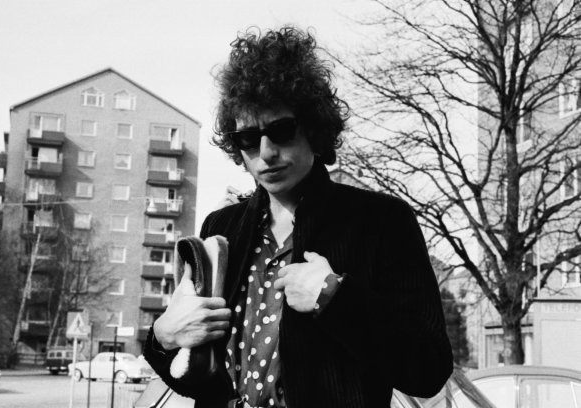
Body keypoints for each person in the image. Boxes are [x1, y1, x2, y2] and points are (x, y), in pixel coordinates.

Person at [144, 25, 453, 408]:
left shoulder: (381, 222)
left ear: (314, 128)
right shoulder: (221, 229)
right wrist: (163, 338)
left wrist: (334, 299)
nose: (266, 152)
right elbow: (202, 382)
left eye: (282, 130)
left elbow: (428, 369)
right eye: (248, 138)